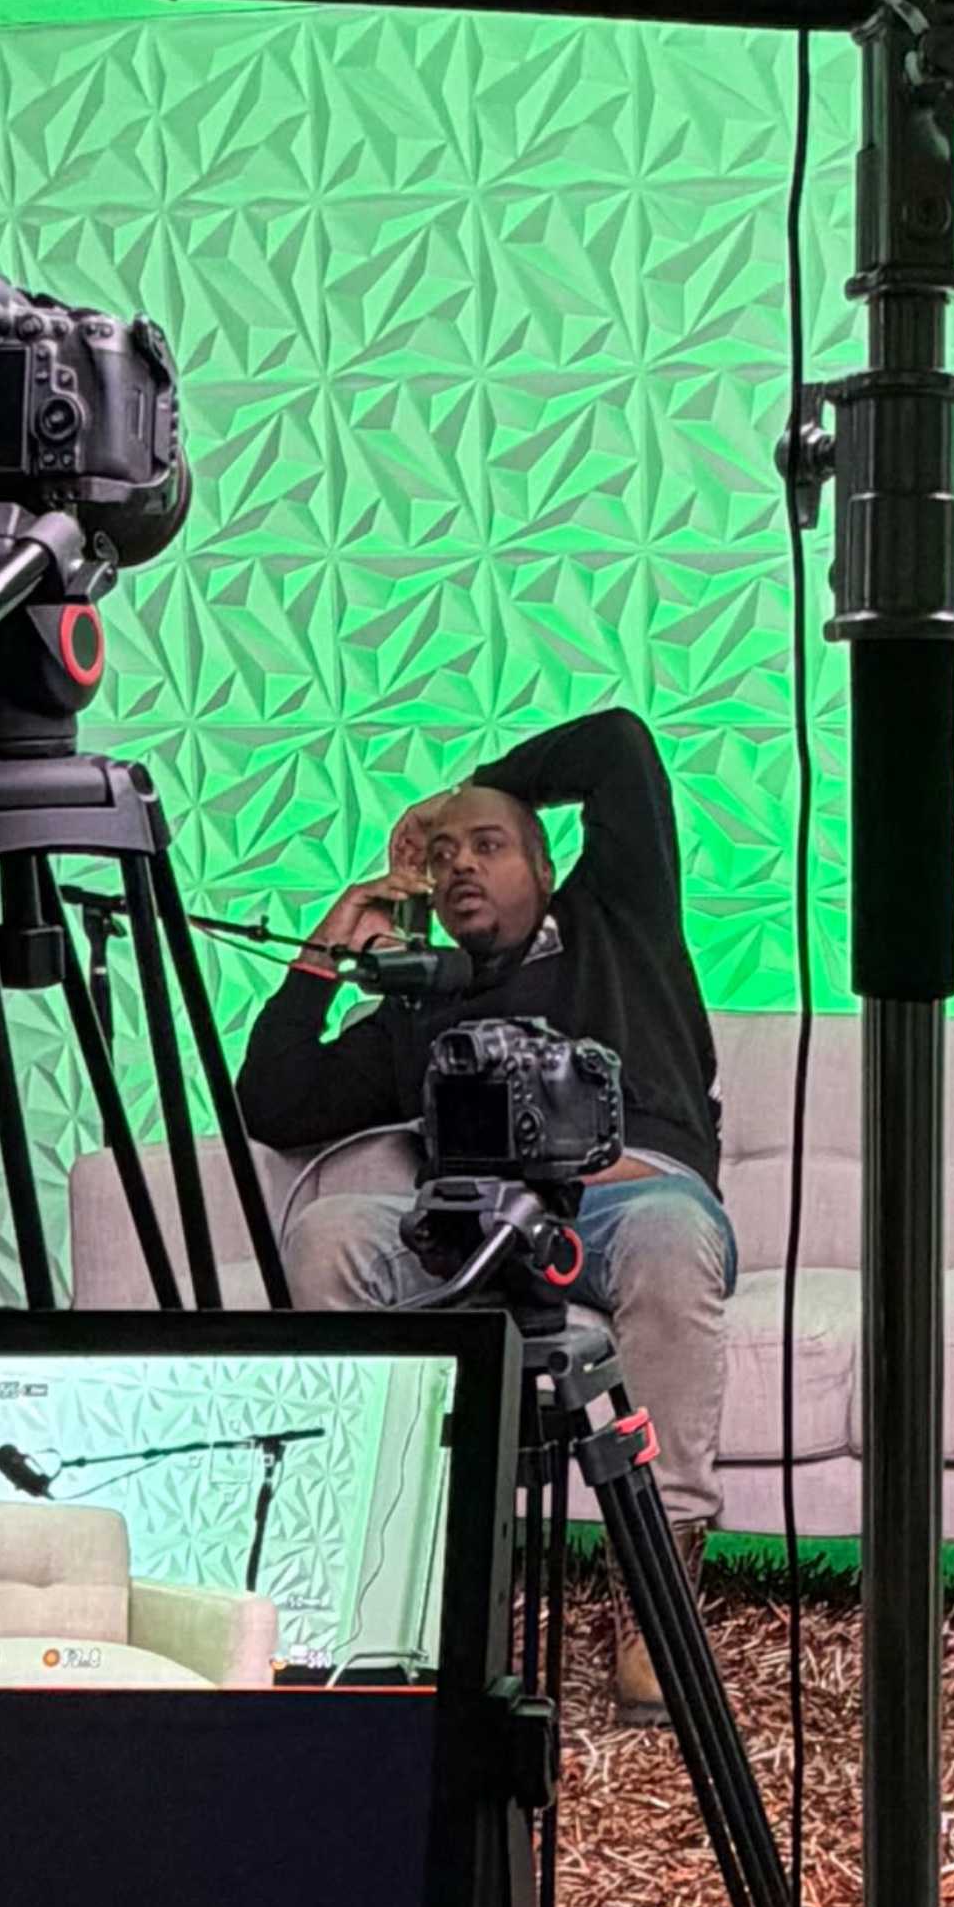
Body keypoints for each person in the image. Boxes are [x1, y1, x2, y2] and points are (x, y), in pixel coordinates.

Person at [239, 705, 732, 1721]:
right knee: (332, 1231)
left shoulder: (618, 922)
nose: (462, 862)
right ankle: (362, 1569)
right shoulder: (419, 1008)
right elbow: (275, 1104)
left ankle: (659, 1592)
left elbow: (619, 748)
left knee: (675, 1236)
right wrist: (335, 940)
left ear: (546, 870)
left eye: (491, 843)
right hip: (470, 1226)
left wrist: (457, 788)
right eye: (446, 852)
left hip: (627, 1202)